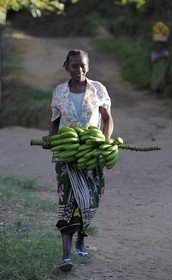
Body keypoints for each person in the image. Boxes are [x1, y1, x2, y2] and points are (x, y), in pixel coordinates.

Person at [42, 49, 113, 271]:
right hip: (67, 155)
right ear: (67, 67)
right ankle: (66, 256)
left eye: (83, 65)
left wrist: (105, 141)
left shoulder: (98, 89)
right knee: (67, 203)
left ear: (88, 66)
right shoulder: (59, 92)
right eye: (75, 65)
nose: (79, 69)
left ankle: (81, 238)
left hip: (92, 155)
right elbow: (55, 121)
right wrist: (51, 139)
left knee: (89, 199)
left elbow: (107, 119)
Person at [150, 21, 170, 99]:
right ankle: (158, 94)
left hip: (162, 70)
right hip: (156, 70)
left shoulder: (165, 52)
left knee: (162, 81)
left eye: (160, 46)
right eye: (158, 46)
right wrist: (160, 57)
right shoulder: (155, 53)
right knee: (157, 82)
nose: (159, 47)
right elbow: (153, 61)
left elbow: (167, 60)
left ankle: (161, 94)